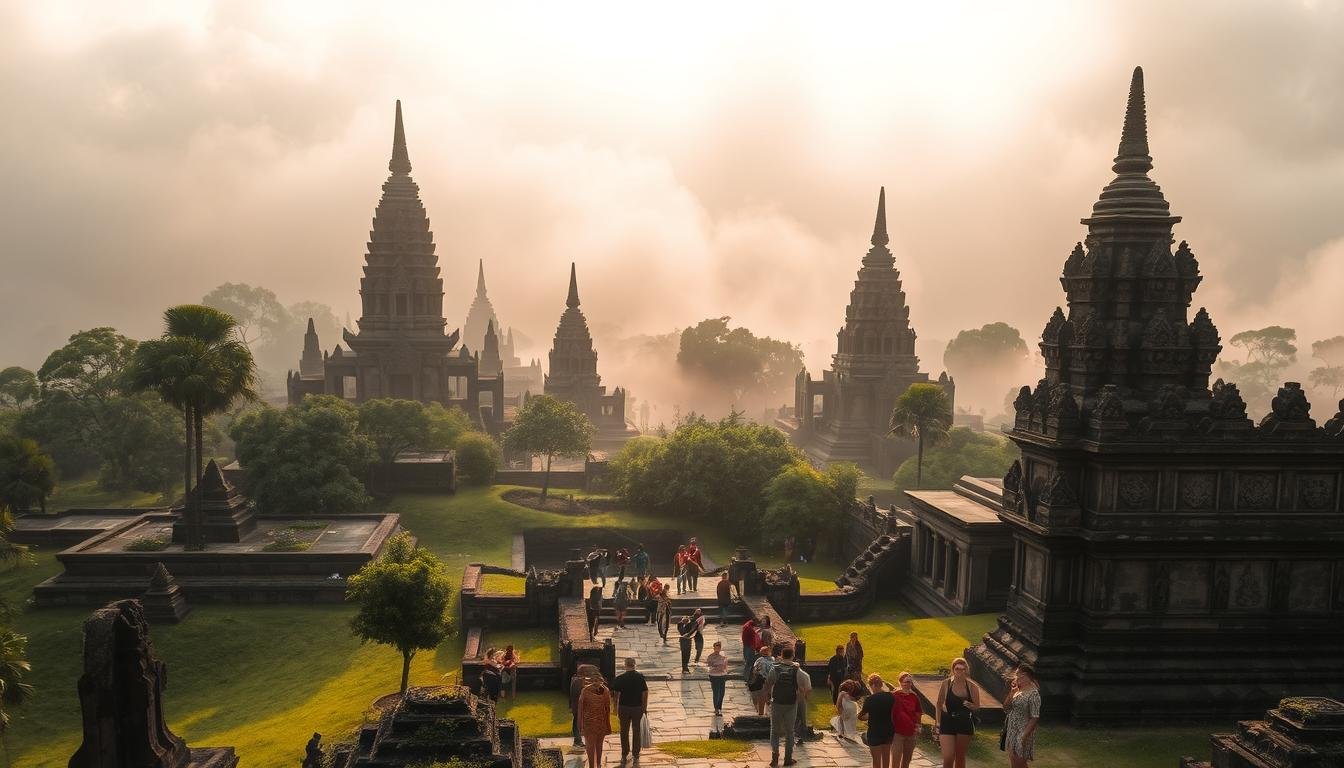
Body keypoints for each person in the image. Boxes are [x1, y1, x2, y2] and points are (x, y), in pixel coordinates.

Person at [764, 644, 809, 767]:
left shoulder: (775, 668)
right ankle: (788, 758)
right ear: (793, 656)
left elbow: (768, 684)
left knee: (774, 731)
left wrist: (767, 697)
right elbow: (807, 684)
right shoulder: (797, 670)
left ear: (781, 656)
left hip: (777, 702)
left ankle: (774, 757)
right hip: (791, 703)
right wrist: (802, 695)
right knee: (790, 731)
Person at [934, 657, 980, 768]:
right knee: (948, 756)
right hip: (947, 721)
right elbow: (939, 704)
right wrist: (938, 723)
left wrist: (970, 705)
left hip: (964, 722)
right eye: (957, 668)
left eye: (963, 669)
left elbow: (977, 707)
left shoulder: (972, 687)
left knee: (960, 756)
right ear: (953, 669)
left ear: (966, 670)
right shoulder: (946, 683)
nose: (960, 671)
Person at [610, 657, 649, 763]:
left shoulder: (620, 678)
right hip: (637, 708)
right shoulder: (640, 677)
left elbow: (616, 695)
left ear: (625, 665)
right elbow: (645, 693)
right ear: (634, 664)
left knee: (624, 731)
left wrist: (614, 708)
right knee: (636, 731)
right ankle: (636, 755)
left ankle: (624, 753)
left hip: (624, 708)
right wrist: (644, 707)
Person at [1003, 664, 1041, 767]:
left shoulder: (1034, 694)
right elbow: (1006, 708)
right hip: (1012, 729)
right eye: (1016, 675)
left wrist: (1023, 735)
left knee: (1020, 762)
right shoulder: (1017, 690)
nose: (1016, 677)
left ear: (1026, 676)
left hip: (1023, 730)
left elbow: (1035, 717)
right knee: (1013, 761)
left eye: (1019, 675)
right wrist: (1012, 692)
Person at [858, 673, 895, 768]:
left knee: (876, 761)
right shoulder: (891, 697)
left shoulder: (870, 699)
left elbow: (861, 716)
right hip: (888, 731)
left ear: (873, 685)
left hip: (874, 732)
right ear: (881, 684)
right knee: (886, 760)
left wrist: (869, 716)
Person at [578, 674, 612, 768]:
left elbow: (607, 709)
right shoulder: (604, 690)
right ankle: (596, 765)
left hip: (595, 722)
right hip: (594, 722)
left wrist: (580, 725)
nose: (597, 683)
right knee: (594, 744)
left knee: (593, 744)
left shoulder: (586, 691)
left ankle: (596, 764)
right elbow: (608, 709)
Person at [891, 672, 921, 768]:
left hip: (911, 732)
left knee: (906, 761)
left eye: (909, 682)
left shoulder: (914, 696)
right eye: (905, 682)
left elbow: (918, 713)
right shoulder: (894, 696)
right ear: (900, 682)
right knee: (896, 759)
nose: (907, 684)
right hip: (897, 733)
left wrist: (918, 727)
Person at [568, 663, 599, 747]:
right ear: (584, 672)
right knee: (577, 723)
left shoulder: (576, 679)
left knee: (578, 723)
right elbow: (582, 692)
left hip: (577, 706)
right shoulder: (578, 681)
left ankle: (578, 741)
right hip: (579, 706)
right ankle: (577, 741)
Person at [706, 640, 730, 715]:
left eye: (719, 647)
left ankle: (719, 707)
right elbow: (709, 665)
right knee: (716, 692)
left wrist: (723, 668)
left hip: (722, 675)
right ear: (714, 648)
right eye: (716, 647)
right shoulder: (710, 656)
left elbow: (726, 666)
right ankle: (716, 708)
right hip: (714, 675)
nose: (717, 648)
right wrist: (716, 665)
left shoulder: (723, 657)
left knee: (722, 692)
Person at [750, 644, 775, 715]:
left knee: (762, 696)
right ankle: (766, 712)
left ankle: (761, 713)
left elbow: (754, 671)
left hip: (762, 679)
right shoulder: (772, 660)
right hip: (769, 680)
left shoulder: (759, 660)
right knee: (767, 696)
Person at [741, 616, 761, 681]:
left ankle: (747, 677)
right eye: (757, 624)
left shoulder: (747, 625)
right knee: (749, 663)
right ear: (755, 622)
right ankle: (746, 677)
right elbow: (754, 638)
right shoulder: (749, 628)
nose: (757, 625)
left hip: (747, 646)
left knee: (748, 662)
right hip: (750, 647)